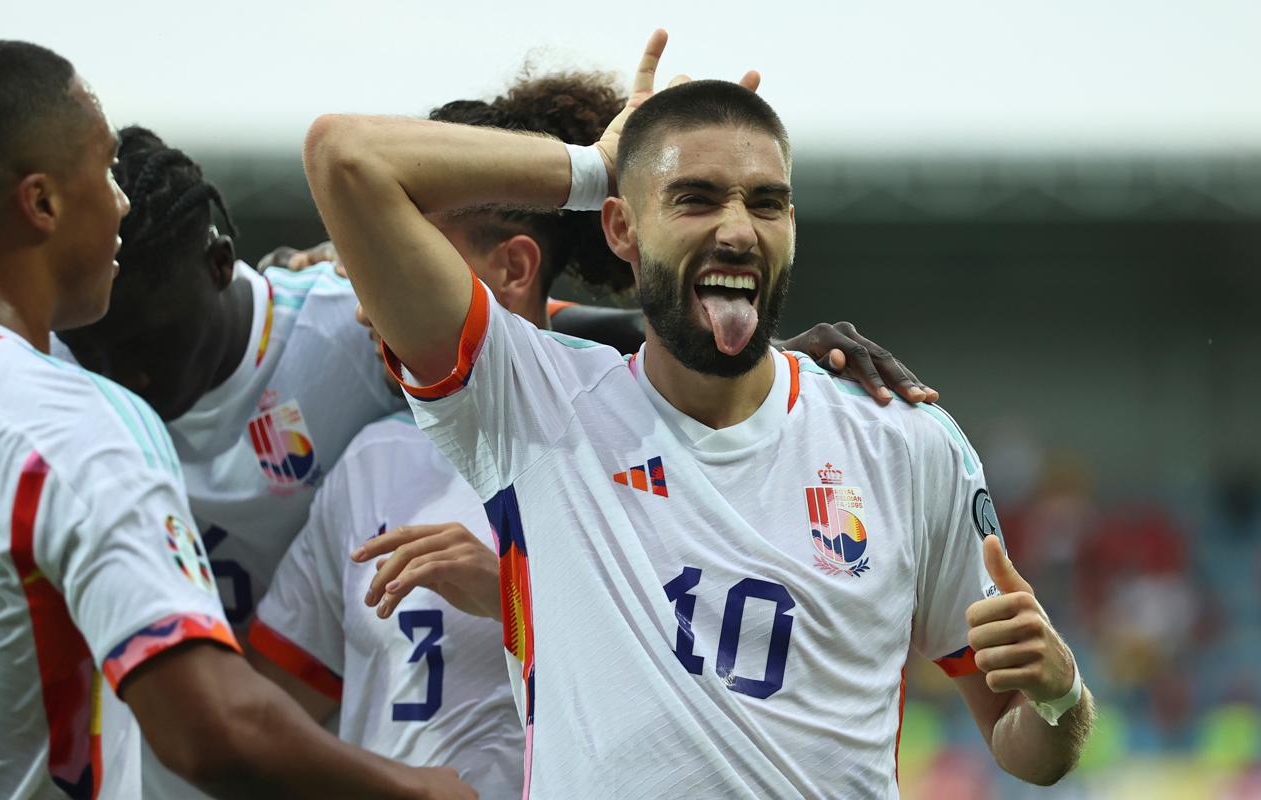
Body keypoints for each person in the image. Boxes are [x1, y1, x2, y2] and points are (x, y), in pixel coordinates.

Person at [306, 30, 1095, 798]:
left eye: (768, 203)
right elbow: (346, 158)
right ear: (622, 227)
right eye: (694, 199)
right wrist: (594, 167)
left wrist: (1061, 696)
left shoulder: (905, 441)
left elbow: (1026, 748)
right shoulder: (530, 405)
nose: (737, 229)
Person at [0, 40, 472, 799]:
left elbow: (525, 338)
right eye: (105, 170)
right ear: (40, 203)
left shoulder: (344, 326)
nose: (125, 200)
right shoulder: (77, 420)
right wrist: (421, 792)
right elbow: (211, 729)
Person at [251, 73, 635, 800]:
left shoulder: (629, 435)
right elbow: (267, 708)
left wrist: (512, 596)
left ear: (514, 269)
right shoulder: (372, 460)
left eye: (402, 262)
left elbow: (712, 674)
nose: (365, 309)